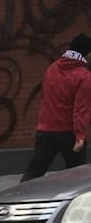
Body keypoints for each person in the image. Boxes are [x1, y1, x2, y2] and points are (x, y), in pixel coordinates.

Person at [20, 33, 91, 181]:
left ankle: (19, 197)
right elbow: (81, 110)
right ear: (87, 53)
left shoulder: (52, 68)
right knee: (77, 176)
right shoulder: (84, 76)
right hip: (68, 133)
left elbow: (45, 97)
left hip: (45, 130)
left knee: (34, 172)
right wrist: (80, 137)